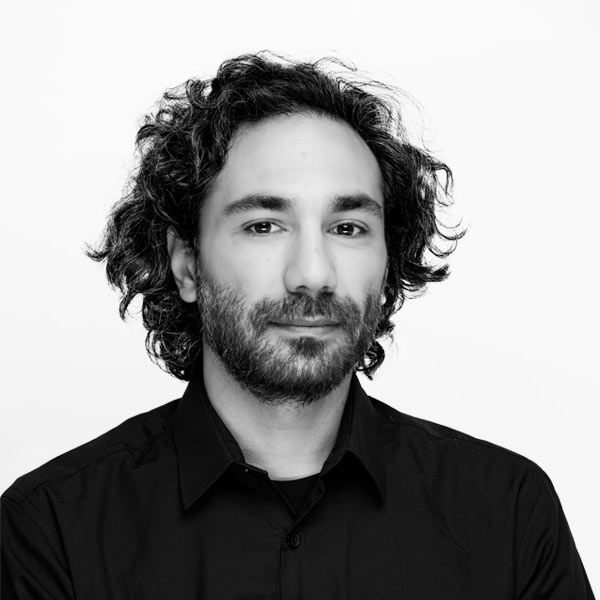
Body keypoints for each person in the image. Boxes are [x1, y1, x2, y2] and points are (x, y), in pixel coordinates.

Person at [1, 52, 594, 599]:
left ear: (388, 261)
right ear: (186, 264)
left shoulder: (509, 513)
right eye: (264, 225)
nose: (313, 274)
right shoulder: (51, 529)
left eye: (348, 228)